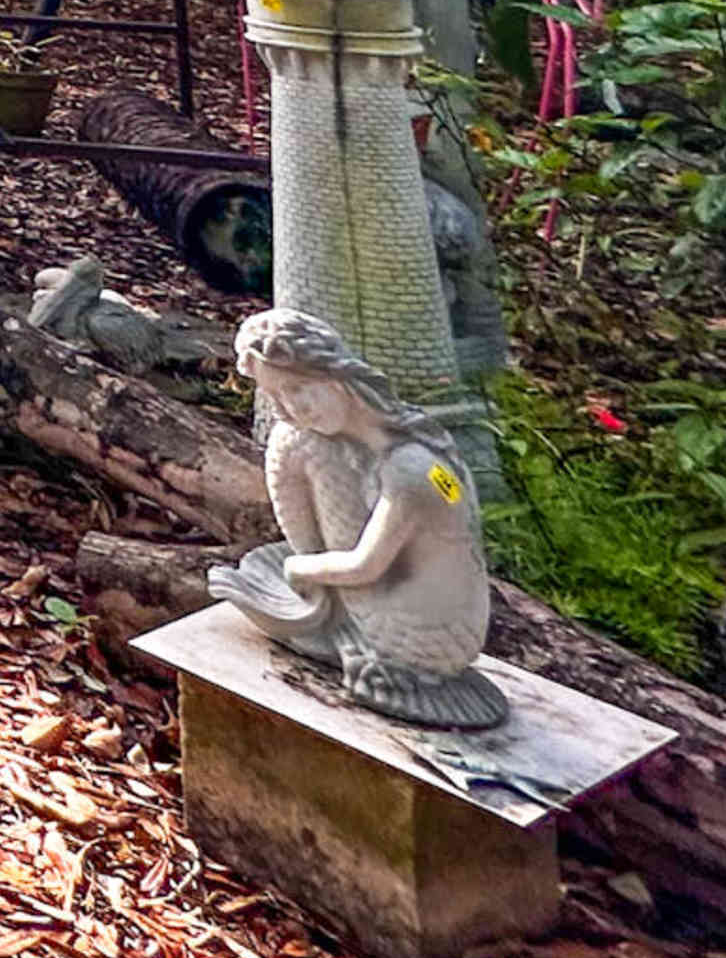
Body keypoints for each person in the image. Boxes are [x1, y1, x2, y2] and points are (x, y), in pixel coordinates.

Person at [209, 309, 507, 730]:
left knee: (293, 443)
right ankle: (322, 606)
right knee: (293, 436)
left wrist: (299, 566)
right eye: (277, 397)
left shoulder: (411, 468)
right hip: (447, 623)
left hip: (418, 638)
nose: (290, 407)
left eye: (297, 389)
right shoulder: (414, 434)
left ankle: (329, 614)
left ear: (337, 376)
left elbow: (364, 566)